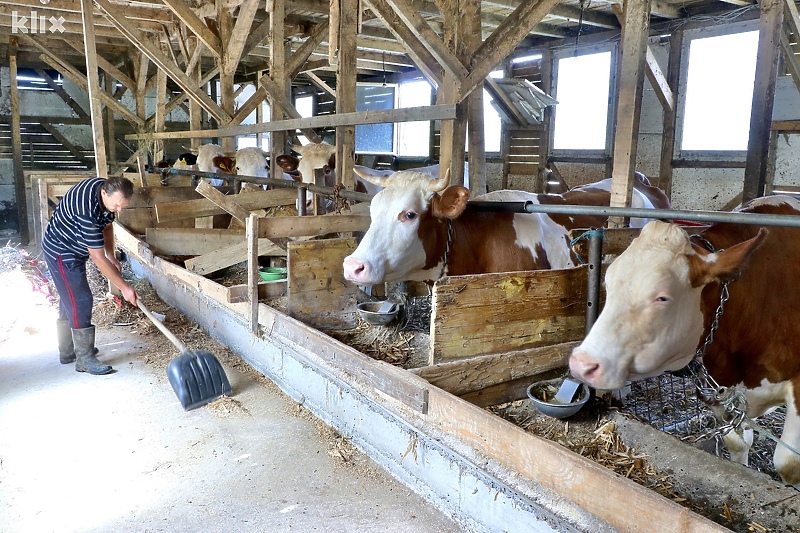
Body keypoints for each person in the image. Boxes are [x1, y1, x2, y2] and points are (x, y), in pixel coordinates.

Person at [42, 176, 140, 375]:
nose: (119, 210)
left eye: (123, 206)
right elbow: (96, 257)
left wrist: (111, 254)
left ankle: (69, 350)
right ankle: (84, 358)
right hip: (61, 251)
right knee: (81, 299)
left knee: (69, 297)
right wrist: (125, 287)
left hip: (74, 247)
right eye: (117, 205)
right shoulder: (86, 209)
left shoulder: (106, 193)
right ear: (105, 193)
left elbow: (107, 226)